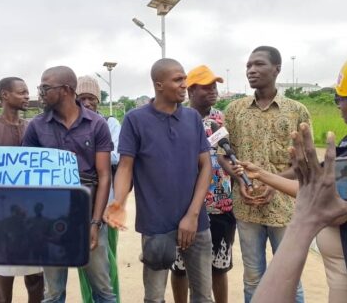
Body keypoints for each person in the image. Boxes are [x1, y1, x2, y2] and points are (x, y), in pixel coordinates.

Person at [238, 49, 347, 303]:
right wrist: (268, 176)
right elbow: (315, 175)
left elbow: (333, 205)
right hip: (346, 270)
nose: (338, 104)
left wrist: (266, 177)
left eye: (340, 97)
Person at [104, 58, 214, 302]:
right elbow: (125, 166)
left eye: (184, 78)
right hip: (155, 224)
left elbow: (206, 166)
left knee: (203, 296)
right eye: (178, 80)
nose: (185, 85)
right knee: (154, 297)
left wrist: (193, 215)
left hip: (196, 222)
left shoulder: (193, 119)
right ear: (159, 84)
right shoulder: (136, 119)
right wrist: (118, 202)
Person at [222, 46, 309, 303]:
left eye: (258, 64)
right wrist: (239, 180)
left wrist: (275, 183)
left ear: (277, 69)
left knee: (289, 277)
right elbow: (224, 154)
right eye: (248, 65)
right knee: (253, 277)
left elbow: (304, 163)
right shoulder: (234, 110)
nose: (251, 70)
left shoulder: (296, 111)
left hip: (284, 209)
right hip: (246, 208)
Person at [22, 66, 116, 303]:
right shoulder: (36, 126)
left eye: (45, 87)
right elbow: (28, 176)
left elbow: (104, 176)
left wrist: (95, 223)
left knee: (103, 290)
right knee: (53, 293)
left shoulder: (96, 125)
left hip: (88, 217)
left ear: (65, 90)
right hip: (49, 220)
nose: (40, 92)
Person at [250, 123, 347, 303]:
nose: (339, 104)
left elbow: (327, 199)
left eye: (341, 98)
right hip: (341, 273)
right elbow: (316, 184)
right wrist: (263, 175)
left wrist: (305, 221)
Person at [170, 65, 234, 303]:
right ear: (191, 91)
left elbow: (228, 155)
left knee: (219, 265)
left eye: (215, 86)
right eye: (206, 87)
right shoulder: (176, 118)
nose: (213, 91)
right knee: (180, 267)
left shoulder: (221, 119)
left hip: (220, 205)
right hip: (184, 208)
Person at [0, 77, 44, 303]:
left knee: (36, 277)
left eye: (28, 92)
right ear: (5, 95)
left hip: (32, 218)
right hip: (0, 219)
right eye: (22, 92)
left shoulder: (33, 128)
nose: (28, 96)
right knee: (2, 278)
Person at [75, 75, 121, 303]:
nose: (88, 103)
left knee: (107, 263)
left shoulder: (110, 123)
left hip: (107, 205)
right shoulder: (73, 124)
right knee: (85, 265)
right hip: (82, 205)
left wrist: (86, 153)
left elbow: (115, 155)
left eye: (92, 98)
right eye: (82, 98)